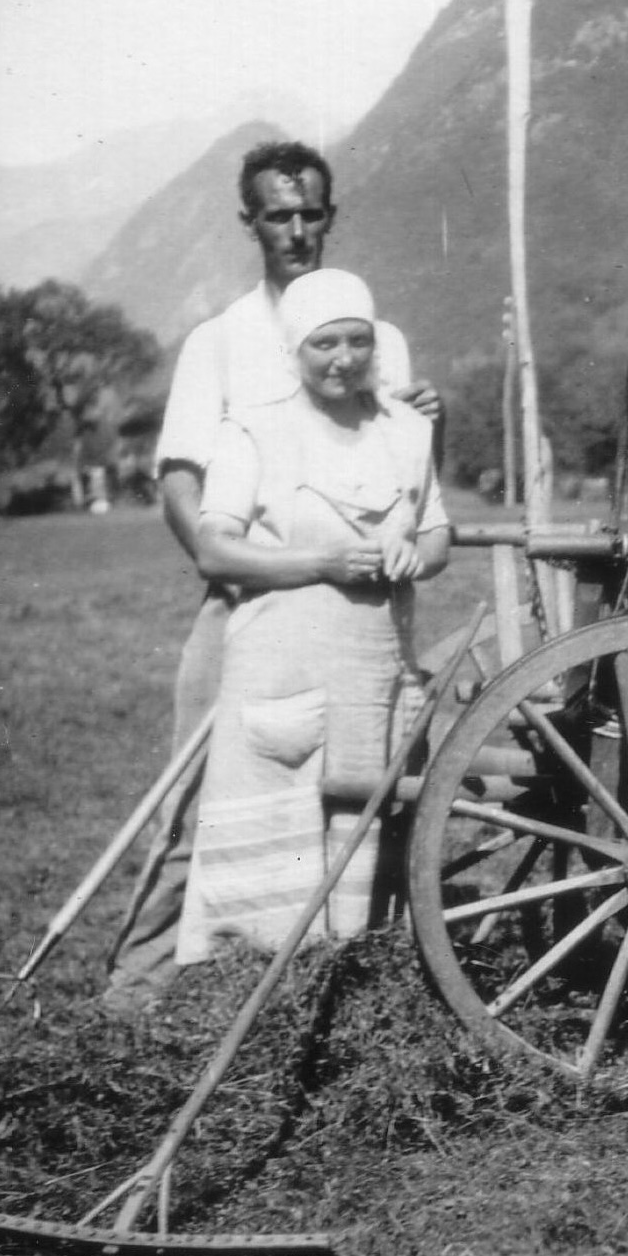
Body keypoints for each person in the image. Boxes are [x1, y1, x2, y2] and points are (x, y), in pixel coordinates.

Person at [104, 141, 437, 1014]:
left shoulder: (379, 334)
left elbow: (397, 456)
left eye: (310, 213)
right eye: (277, 215)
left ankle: (353, 987)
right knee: (197, 796)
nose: (296, 230)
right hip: (247, 600)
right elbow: (181, 482)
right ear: (248, 221)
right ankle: (134, 996)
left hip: (360, 617)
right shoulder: (220, 340)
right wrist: (246, 578)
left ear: (331, 216)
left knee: (366, 797)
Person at [178, 269, 450, 964]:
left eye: (357, 341)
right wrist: (322, 564)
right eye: (324, 343)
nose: (343, 358)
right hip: (279, 664)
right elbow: (214, 549)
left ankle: (349, 977)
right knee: (270, 844)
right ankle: (243, 984)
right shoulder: (256, 429)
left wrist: (410, 553)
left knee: (359, 831)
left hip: (372, 661)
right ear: (295, 350)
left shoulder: (406, 431)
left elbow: (437, 534)